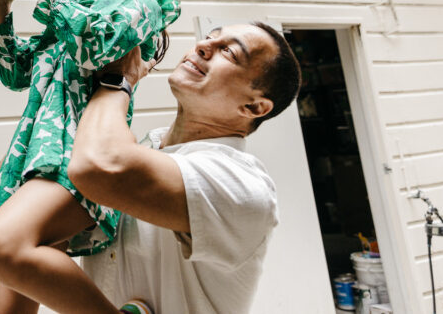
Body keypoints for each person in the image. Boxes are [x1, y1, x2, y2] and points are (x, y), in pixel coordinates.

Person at [0, 0, 181, 314]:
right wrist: (0, 5)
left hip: (76, 148)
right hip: (39, 147)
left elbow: (95, 45)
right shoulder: (78, 6)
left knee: (1, 243)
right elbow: (17, 73)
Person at [64, 21, 303, 313]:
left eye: (228, 52)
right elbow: (6, 194)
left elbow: (97, 167)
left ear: (253, 107)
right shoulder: (143, 149)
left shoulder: (243, 186)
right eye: (209, 38)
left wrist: (118, 81)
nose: (203, 46)